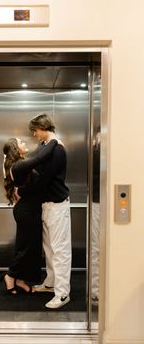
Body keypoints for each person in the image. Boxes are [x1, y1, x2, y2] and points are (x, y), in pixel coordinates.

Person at [17, 114, 72, 309]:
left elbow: (44, 179)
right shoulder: (45, 148)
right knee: (49, 249)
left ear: (43, 127)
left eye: (35, 130)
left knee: (60, 250)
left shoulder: (57, 149)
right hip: (47, 205)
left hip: (58, 205)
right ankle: (51, 283)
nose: (33, 133)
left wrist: (21, 191)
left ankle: (63, 293)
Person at [2, 136, 58, 294]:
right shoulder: (19, 165)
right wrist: (53, 140)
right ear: (15, 149)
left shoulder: (20, 165)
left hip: (29, 211)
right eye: (21, 142)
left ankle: (19, 279)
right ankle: (10, 275)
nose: (24, 143)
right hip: (26, 212)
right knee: (27, 248)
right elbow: (40, 158)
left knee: (29, 247)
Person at [91, 127, 100, 305]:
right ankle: (96, 289)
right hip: (97, 202)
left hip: (103, 202)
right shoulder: (96, 152)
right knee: (96, 248)